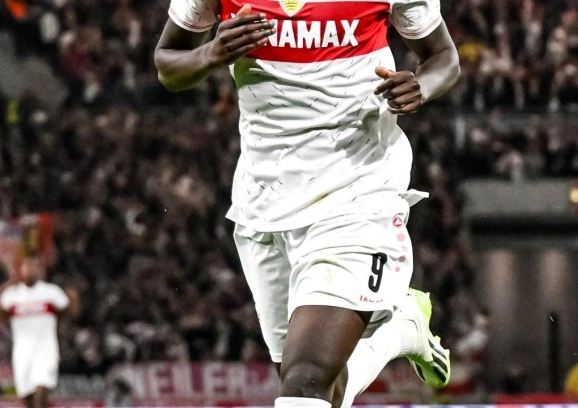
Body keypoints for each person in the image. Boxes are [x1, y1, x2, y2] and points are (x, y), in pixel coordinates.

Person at [154, 0, 460, 407]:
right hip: (264, 203)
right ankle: (401, 332)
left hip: (357, 194)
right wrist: (211, 53)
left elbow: (443, 57)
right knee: (318, 388)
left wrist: (422, 86)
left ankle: (399, 330)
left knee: (305, 383)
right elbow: (167, 64)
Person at [0, 257, 80, 408]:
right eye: (27, 266)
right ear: (20, 270)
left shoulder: (50, 291)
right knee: (26, 396)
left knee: (41, 388)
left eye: (34, 266)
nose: (30, 270)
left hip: (45, 349)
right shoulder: (13, 294)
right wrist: (4, 287)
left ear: (40, 271)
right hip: (22, 350)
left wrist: (71, 301)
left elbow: (71, 310)